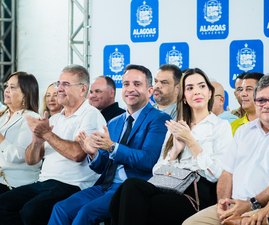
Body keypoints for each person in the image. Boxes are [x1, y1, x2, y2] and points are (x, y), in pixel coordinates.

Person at [47, 64, 171, 225]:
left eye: (137, 84)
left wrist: (113, 147)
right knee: (61, 208)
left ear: (149, 91)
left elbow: (148, 160)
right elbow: (101, 167)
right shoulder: (114, 122)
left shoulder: (159, 119)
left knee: (86, 213)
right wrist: (93, 154)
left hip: (130, 190)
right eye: (126, 84)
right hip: (105, 186)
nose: (130, 89)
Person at [109, 68, 233, 225]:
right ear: (184, 97)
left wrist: (191, 142)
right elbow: (157, 170)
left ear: (209, 93)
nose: (196, 92)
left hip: (196, 192)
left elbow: (216, 173)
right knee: (126, 191)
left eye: (202, 86)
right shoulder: (176, 127)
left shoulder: (220, 126)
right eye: (190, 88)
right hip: (169, 185)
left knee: (140, 203)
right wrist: (174, 152)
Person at [183, 75, 269, 225]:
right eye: (261, 100)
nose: (267, 104)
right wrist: (223, 203)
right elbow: (227, 172)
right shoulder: (244, 131)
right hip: (234, 204)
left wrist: (252, 203)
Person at [0, 65, 106, 225]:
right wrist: (37, 140)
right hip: (45, 182)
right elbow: (32, 160)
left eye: (65, 84)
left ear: (82, 89)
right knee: (4, 203)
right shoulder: (56, 119)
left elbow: (78, 154)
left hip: (73, 185)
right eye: (59, 83)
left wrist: (47, 134)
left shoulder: (90, 115)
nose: (59, 89)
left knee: (31, 210)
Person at [0, 72, 41, 194]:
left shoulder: (32, 119)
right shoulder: (3, 115)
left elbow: (17, 156)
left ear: (25, 93)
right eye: (6, 86)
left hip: (15, 183)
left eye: (12, 87)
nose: (6, 90)